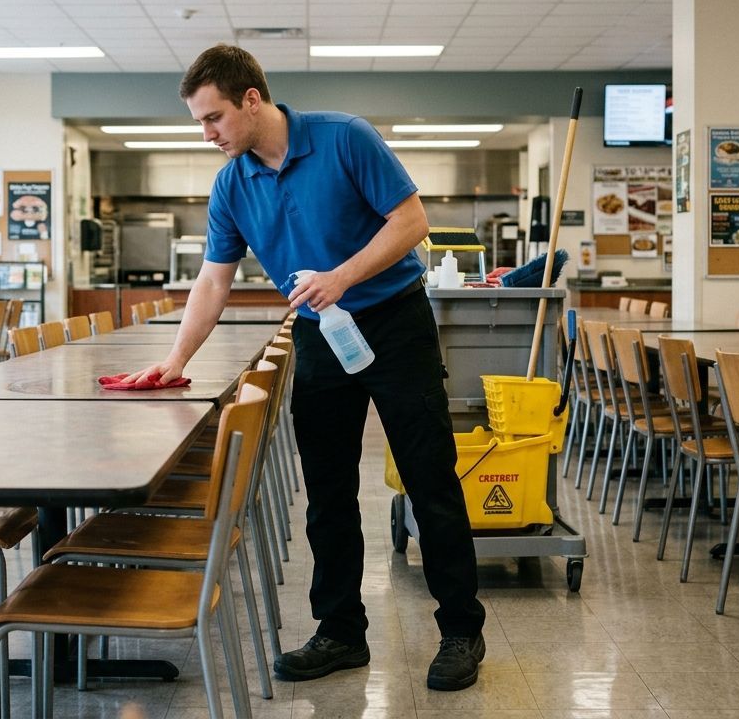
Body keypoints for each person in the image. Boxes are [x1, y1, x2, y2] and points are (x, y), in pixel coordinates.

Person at [124, 44, 486, 691]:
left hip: (396, 324)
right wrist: (176, 360)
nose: (207, 135)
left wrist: (341, 277)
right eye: (200, 123)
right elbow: (213, 280)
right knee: (327, 490)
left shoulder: (345, 138)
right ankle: (341, 631)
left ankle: (461, 629)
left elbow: (412, 222)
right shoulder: (233, 183)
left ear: (252, 100)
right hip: (323, 334)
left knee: (430, 478)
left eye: (213, 119)